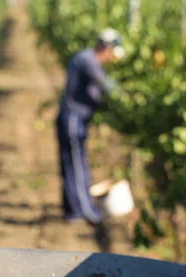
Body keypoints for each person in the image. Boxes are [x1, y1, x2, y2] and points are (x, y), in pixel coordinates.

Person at [56, 28, 125, 225]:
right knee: (77, 166)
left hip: (73, 119)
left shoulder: (87, 59)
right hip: (72, 120)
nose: (109, 58)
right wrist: (127, 97)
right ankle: (88, 212)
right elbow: (104, 84)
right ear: (106, 47)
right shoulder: (87, 60)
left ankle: (73, 211)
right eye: (111, 53)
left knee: (70, 164)